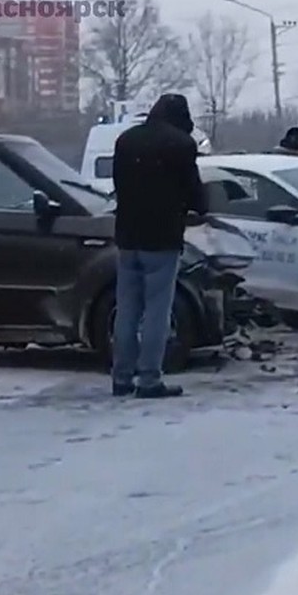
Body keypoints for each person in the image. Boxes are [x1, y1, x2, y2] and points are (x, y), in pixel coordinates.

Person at [110, 93, 207, 399]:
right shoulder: (180, 144)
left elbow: (119, 186)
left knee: (126, 309)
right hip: (162, 239)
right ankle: (149, 379)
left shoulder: (126, 140)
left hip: (127, 238)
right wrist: (197, 207)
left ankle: (121, 376)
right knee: (156, 310)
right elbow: (194, 191)